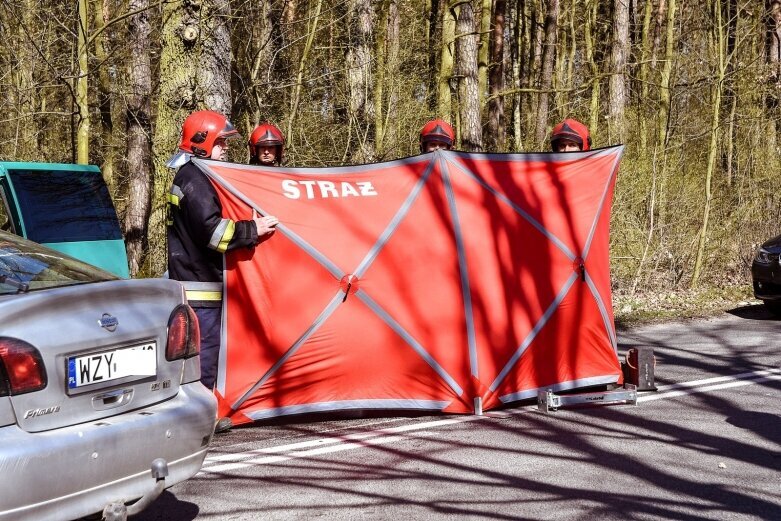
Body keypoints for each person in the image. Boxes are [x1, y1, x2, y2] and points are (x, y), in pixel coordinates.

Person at [166, 110, 279, 433]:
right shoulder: (195, 179)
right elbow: (213, 233)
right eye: (221, 143)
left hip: (193, 280)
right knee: (205, 352)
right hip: (200, 285)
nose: (226, 149)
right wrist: (252, 228)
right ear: (202, 143)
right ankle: (203, 418)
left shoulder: (191, 174)